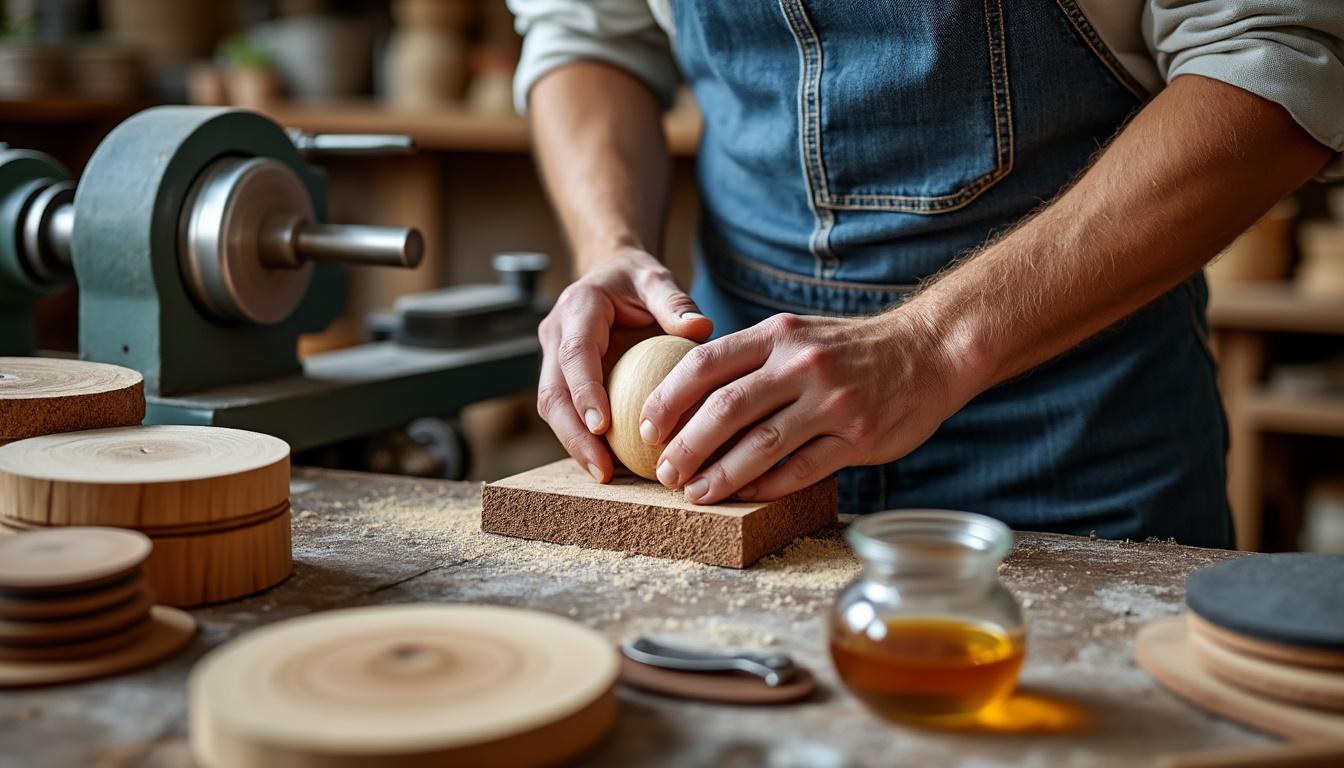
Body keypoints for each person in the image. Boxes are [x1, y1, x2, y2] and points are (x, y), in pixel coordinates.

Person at [509, 0, 1343, 548]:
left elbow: (1276, 55)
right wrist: (610, 243)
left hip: (1074, 431)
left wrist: (932, 345)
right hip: (733, 432)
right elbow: (590, 33)